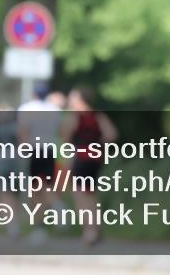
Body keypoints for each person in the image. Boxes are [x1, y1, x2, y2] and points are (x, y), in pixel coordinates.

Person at [61, 86, 118, 247]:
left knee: (80, 196)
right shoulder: (98, 116)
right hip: (96, 158)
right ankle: (95, 229)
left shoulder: (75, 116)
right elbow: (111, 134)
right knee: (91, 195)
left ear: (80, 99)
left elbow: (65, 137)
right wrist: (98, 143)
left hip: (80, 158)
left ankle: (89, 231)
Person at [18, 82, 64, 244]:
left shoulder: (26, 109)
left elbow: (24, 132)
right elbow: (61, 131)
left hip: (35, 150)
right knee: (46, 186)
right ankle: (43, 224)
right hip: (50, 150)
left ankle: (53, 210)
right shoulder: (54, 109)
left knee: (36, 190)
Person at [0, 103, 23, 238]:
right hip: (15, 162)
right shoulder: (16, 127)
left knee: (3, 194)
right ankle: (15, 223)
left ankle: (11, 224)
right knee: (14, 195)